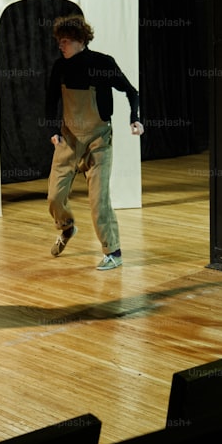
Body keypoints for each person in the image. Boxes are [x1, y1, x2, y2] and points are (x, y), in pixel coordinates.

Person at [44, 14, 143, 270]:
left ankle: (113, 252)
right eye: (59, 41)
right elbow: (50, 100)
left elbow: (131, 91)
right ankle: (67, 228)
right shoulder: (60, 67)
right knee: (54, 197)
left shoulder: (102, 63)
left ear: (79, 40)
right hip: (68, 140)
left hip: (98, 140)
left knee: (99, 200)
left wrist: (135, 118)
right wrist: (53, 130)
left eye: (64, 41)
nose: (60, 45)